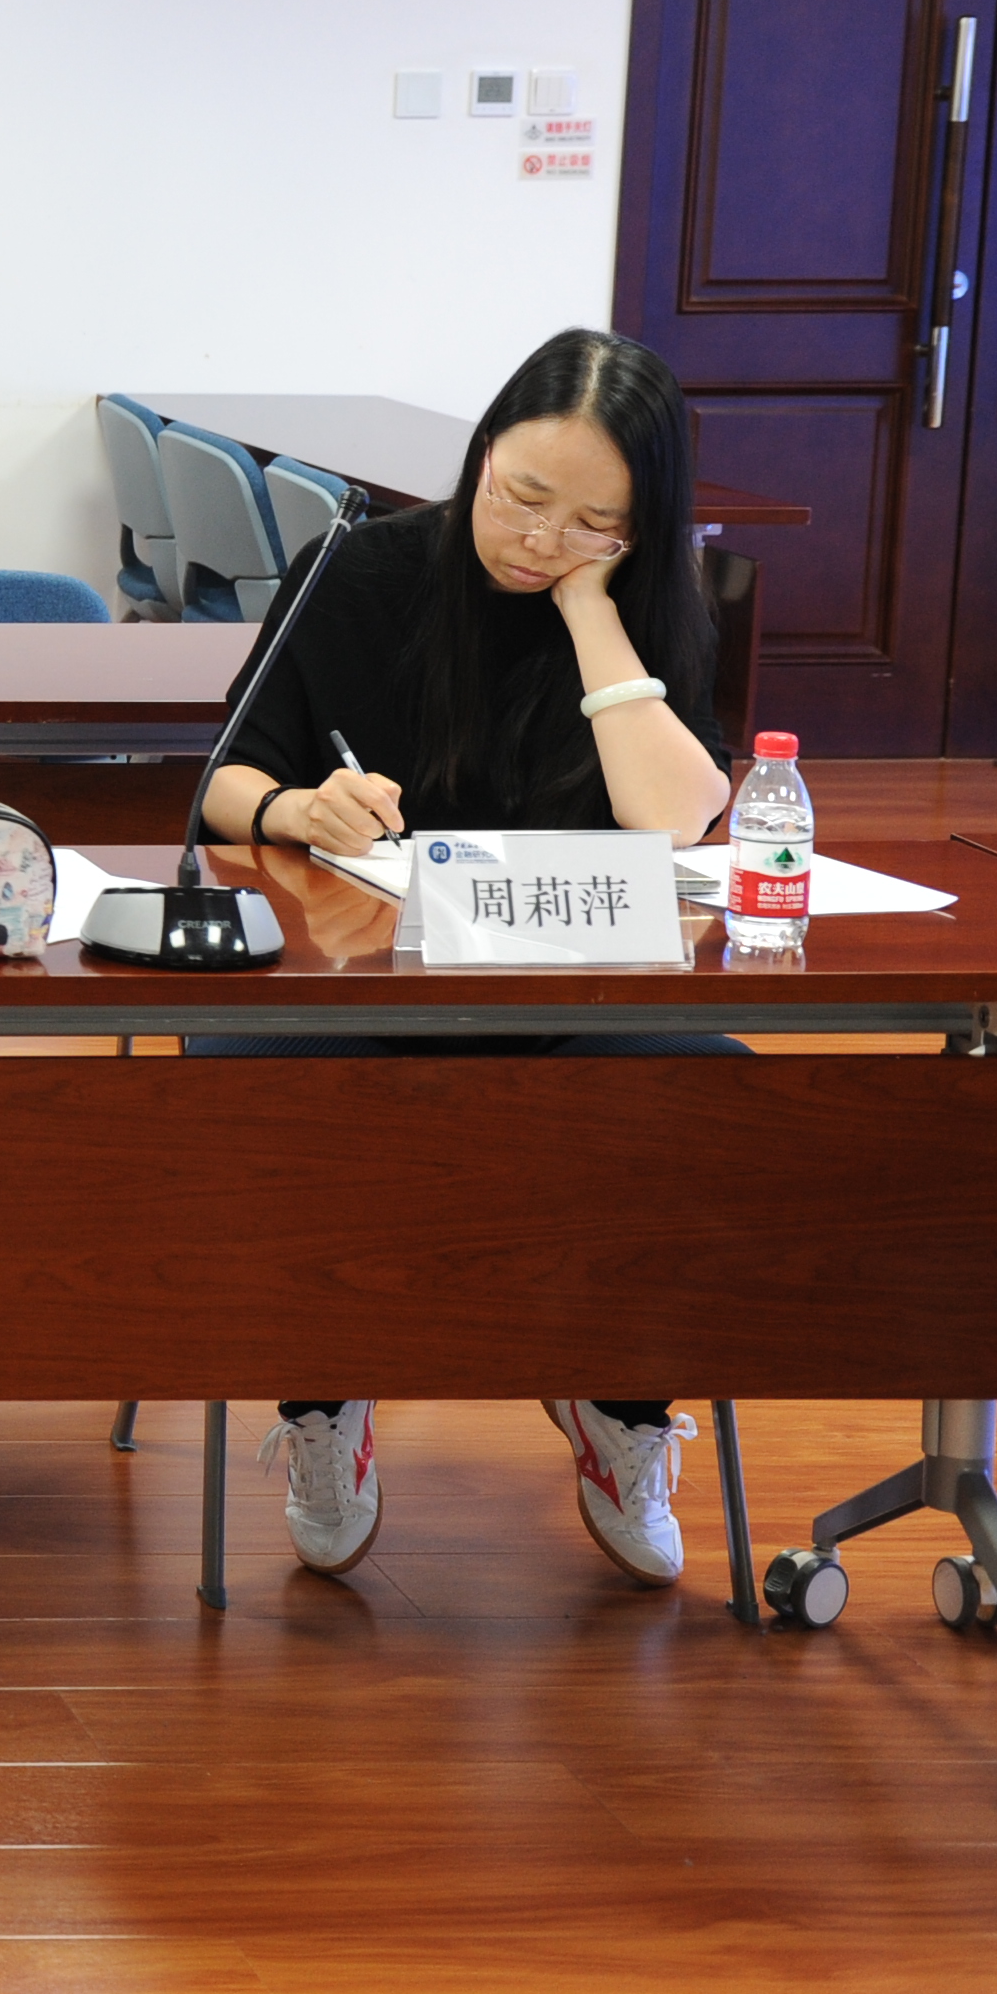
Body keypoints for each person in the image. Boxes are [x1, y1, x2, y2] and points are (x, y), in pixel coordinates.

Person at [190, 326, 741, 1590]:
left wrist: (592, 614)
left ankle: (620, 1396)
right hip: (357, 981)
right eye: (520, 494)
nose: (539, 538)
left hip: (578, 988)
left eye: (591, 522)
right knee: (257, 1088)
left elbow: (676, 817)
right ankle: (322, 1392)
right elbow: (223, 778)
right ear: (480, 453)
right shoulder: (356, 568)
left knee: (705, 1099)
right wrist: (295, 810)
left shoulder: (651, 611)